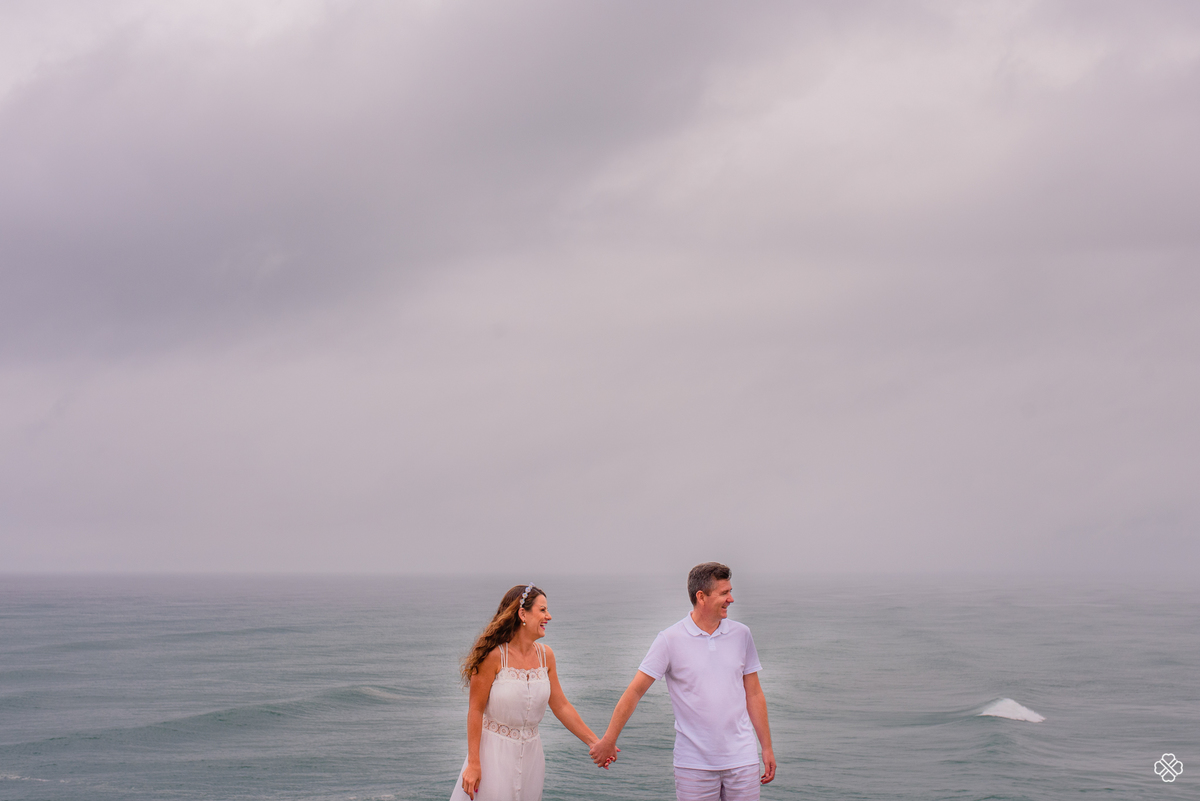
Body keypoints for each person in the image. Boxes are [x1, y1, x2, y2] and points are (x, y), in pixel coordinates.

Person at [589, 562, 776, 800]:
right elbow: (635, 691)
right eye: (724, 593)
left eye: (730, 591)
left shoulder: (742, 635)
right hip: (693, 765)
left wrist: (767, 748)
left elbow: (754, 693)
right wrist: (609, 739)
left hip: (742, 760)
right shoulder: (669, 640)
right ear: (701, 597)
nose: (731, 599)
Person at [450, 584, 610, 801]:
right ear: (522, 613)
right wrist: (474, 763)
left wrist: (594, 742)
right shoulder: (493, 657)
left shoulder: (547, 656)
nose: (549, 616)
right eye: (542, 610)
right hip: (493, 756)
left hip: (533, 758)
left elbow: (561, 705)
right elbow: (475, 711)